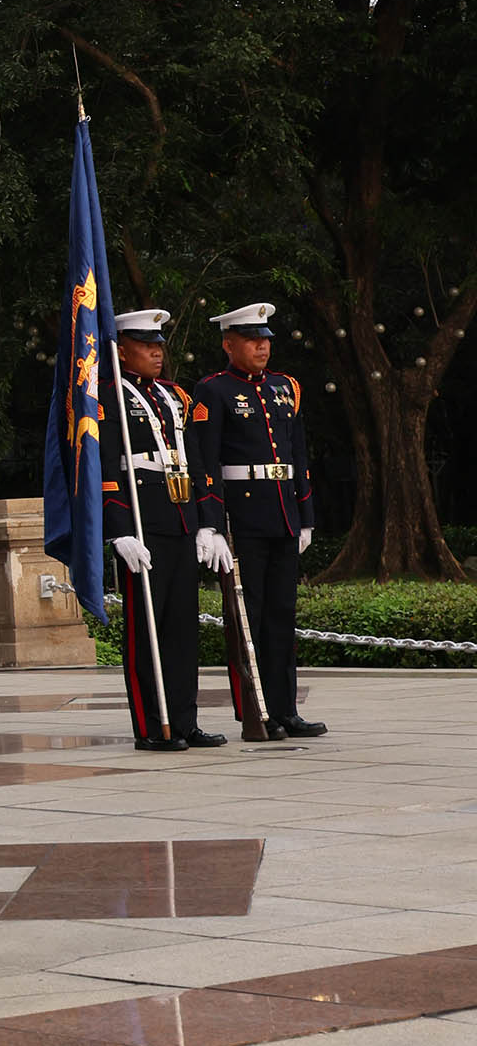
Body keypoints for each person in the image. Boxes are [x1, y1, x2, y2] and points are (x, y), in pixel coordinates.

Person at [189, 301, 327, 740]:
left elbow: (298, 457)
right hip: (243, 519)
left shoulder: (285, 387)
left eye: (265, 339)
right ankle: (256, 710)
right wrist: (210, 523)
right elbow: (206, 463)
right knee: (247, 616)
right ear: (229, 344)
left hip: (283, 512)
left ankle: (285, 709)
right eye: (252, 339)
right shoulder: (213, 390)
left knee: (281, 616)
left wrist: (305, 516)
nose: (262, 347)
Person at [104, 309, 226, 753]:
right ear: (121, 349)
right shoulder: (108, 396)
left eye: (159, 345)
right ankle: (153, 724)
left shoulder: (176, 396)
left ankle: (185, 719)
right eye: (146, 345)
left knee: (181, 627)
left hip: (180, 518)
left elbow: (198, 465)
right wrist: (118, 530)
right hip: (143, 524)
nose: (157, 352)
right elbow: (104, 469)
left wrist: (208, 523)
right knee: (146, 630)